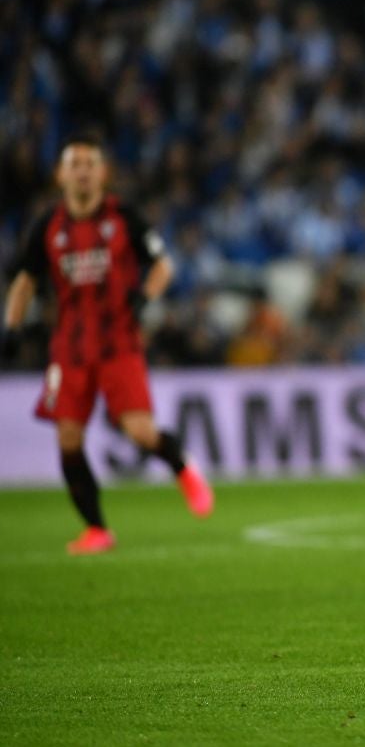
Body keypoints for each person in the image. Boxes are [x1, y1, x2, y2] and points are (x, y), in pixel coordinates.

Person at [0, 138, 214, 555]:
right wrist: (11, 328)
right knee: (68, 439)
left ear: (102, 173)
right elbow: (25, 282)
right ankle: (97, 528)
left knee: (139, 431)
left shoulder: (125, 218)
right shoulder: (47, 226)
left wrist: (145, 296)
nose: (82, 171)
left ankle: (183, 468)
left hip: (118, 342)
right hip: (71, 348)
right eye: (74, 164)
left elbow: (164, 266)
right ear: (60, 174)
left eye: (90, 163)